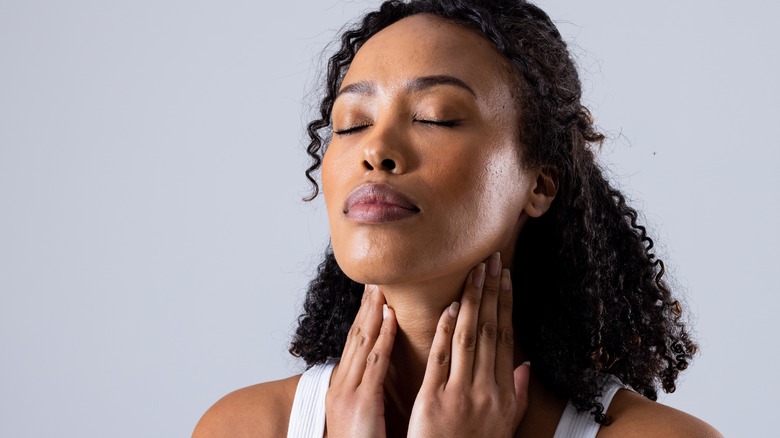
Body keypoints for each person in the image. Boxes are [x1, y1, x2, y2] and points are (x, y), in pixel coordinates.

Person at [193, 0, 722, 436]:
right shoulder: (245, 426)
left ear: (538, 184)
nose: (375, 150)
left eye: (435, 116)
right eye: (350, 124)